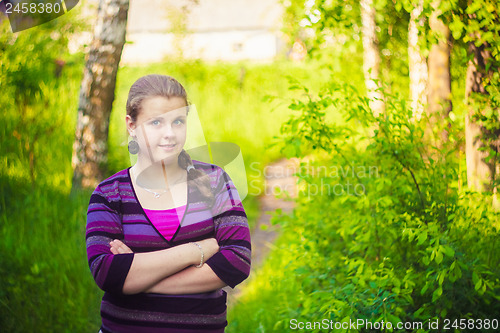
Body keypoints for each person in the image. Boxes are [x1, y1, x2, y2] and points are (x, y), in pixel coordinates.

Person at [85, 74, 251, 332]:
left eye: (178, 121)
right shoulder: (109, 193)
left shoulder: (215, 181)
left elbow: (237, 262)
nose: (170, 134)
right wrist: (197, 250)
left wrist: (139, 277)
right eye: (155, 123)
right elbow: (108, 273)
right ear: (131, 125)